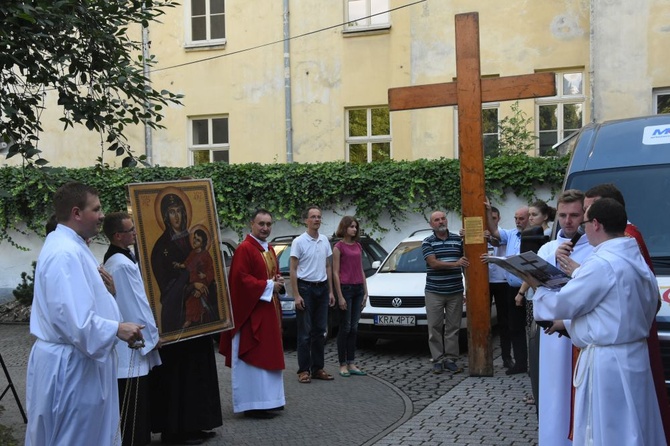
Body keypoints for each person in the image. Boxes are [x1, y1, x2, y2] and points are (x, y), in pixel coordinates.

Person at [533, 198, 664, 445]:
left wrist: (538, 288)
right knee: (635, 427)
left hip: (608, 363)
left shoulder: (602, 263)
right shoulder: (635, 258)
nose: (582, 230)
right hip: (634, 355)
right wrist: (569, 325)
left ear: (596, 224)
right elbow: (616, 311)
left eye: (583, 222)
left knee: (609, 431)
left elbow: (563, 304)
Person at [25, 182, 144, 446]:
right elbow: (74, 320)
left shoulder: (74, 246)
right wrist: (116, 329)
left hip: (81, 361)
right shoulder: (64, 254)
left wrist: (110, 298)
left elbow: (85, 303)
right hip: (71, 367)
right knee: (72, 438)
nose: (102, 215)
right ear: (77, 213)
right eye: (97, 209)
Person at [584, 183, 670, 444]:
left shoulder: (625, 240)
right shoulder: (627, 238)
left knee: (621, 419)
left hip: (618, 345)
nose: (585, 217)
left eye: (589, 211)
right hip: (630, 338)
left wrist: (576, 271)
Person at [517, 189, 593, 445]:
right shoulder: (548, 247)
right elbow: (535, 284)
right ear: (556, 215)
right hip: (551, 336)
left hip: (577, 333)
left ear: (584, 215)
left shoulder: (593, 249)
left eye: (574, 215)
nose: (568, 220)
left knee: (575, 393)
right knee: (551, 392)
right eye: (563, 215)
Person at [149, 191, 222, 445]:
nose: (177, 216)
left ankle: (199, 423)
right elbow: (164, 285)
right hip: (176, 322)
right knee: (179, 375)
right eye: (171, 212)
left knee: (200, 370)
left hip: (198, 319)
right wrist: (189, 286)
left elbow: (208, 270)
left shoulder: (194, 239)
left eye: (180, 210)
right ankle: (177, 430)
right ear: (164, 216)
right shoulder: (161, 247)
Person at [219, 209, 286, 419]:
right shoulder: (245, 249)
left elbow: (273, 275)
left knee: (268, 356)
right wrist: (269, 285)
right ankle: (253, 403)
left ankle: (270, 400)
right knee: (255, 358)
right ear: (252, 224)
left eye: (268, 224)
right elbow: (239, 281)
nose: (265, 228)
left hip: (268, 311)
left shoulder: (269, 249)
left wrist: (279, 283)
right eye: (261, 224)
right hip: (251, 314)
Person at [103, 212, 162, 446]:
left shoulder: (120, 259)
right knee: (133, 404)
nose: (135, 233)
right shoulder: (120, 264)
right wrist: (151, 336)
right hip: (131, 344)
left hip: (131, 341)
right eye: (131, 231)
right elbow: (134, 304)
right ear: (118, 235)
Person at [290, 205, 336, 383]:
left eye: (319, 217)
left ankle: (318, 368)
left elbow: (328, 266)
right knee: (305, 333)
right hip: (305, 288)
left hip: (322, 288)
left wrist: (331, 291)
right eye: (313, 217)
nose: (317, 219)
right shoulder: (299, 242)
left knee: (320, 332)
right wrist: (296, 295)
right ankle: (303, 370)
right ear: (306, 220)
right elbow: (293, 269)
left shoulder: (324, 240)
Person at [422, 211, 468, 374]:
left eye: (443, 218)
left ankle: (450, 359)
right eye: (436, 220)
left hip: (455, 290)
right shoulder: (427, 242)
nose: (441, 221)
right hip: (434, 291)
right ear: (431, 224)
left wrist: (467, 289)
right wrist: (455, 264)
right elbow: (433, 263)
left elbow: (465, 264)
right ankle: (437, 359)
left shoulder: (457, 240)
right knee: (434, 326)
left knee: (453, 327)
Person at [486, 204, 530, 375]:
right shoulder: (511, 234)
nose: (518, 221)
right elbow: (494, 232)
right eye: (516, 218)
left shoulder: (536, 236)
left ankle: (534, 363)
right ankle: (520, 363)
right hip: (512, 287)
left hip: (528, 288)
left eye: (522, 218)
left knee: (533, 328)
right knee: (515, 327)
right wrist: (488, 212)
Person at [333, 216, 369, 378]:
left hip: (358, 289)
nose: (354, 229)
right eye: (351, 226)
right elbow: (335, 272)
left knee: (354, 328)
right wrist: (339, 295)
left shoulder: (358, 246)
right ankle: (342, 364)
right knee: (345, 327)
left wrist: (366, 290)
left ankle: (352, 362)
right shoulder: (338, 247)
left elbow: (360, 269)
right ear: (345, 228)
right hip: (345, 289)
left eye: (356, 227)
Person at [481, 206, 513, 369]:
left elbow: (497, 242)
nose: (491, 221)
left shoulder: (504, 234)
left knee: (504, 322)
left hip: (502, 282)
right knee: (482, 320)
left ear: (498, 219)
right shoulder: (479, 234)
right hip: (484, 283)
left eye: (493, 218)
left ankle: (506, 356)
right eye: (488, 218)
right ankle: (482, 357)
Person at [173, 228, 216, 328]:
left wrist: (205, 276)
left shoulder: (206, 255)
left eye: (198, 240)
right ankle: (189, 319)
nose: (195, 241)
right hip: (193, 282)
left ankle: (194, 320)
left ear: (202, 243)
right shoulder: (192, 253)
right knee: (189, 301)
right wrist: (179, 265)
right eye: (194, 238)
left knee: (197, 301)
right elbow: (187, 264)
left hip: (202, 282)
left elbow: (210, 270)